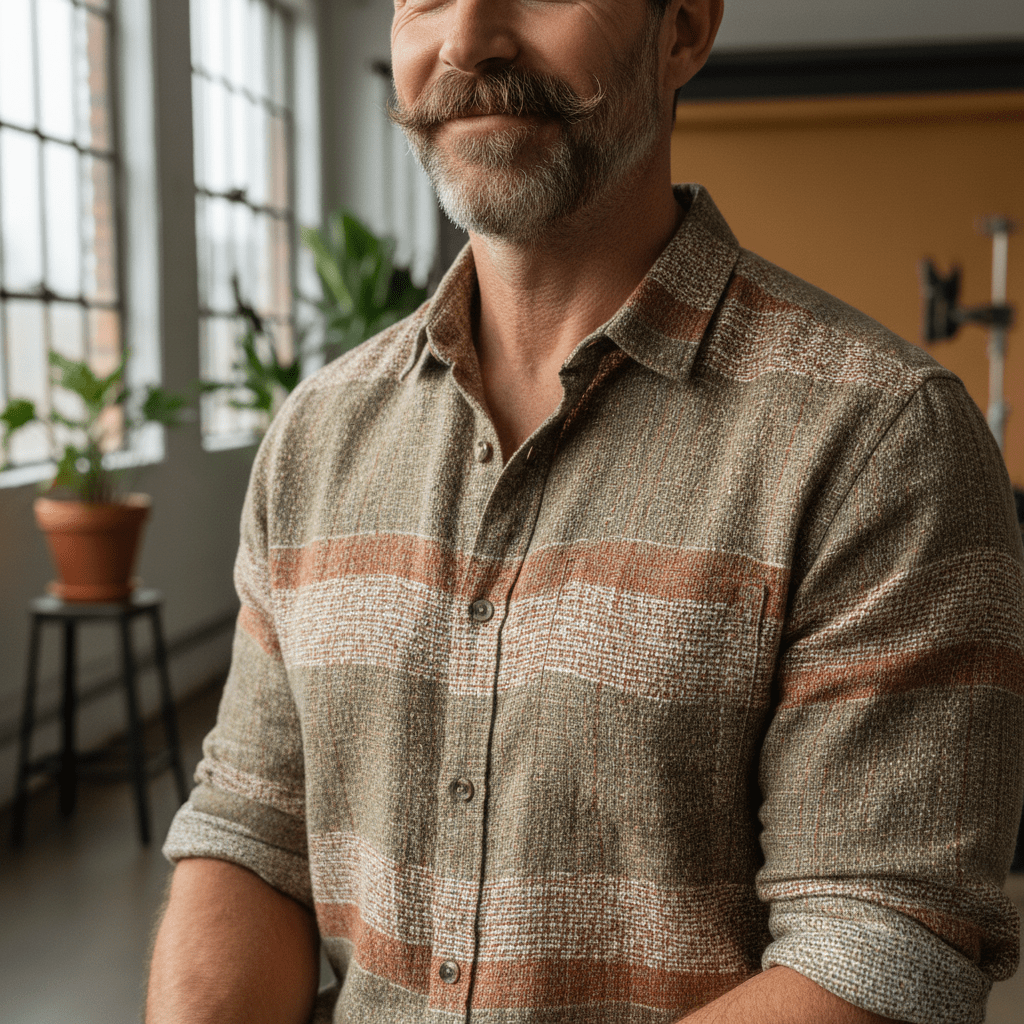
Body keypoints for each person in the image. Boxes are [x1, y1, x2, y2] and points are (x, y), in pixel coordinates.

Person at [146, 0, 1024, 1021]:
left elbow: (880, 948)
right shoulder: (318, 433)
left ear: (684, 30)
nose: (467, 39)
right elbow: (251, 829)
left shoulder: (880, 443)